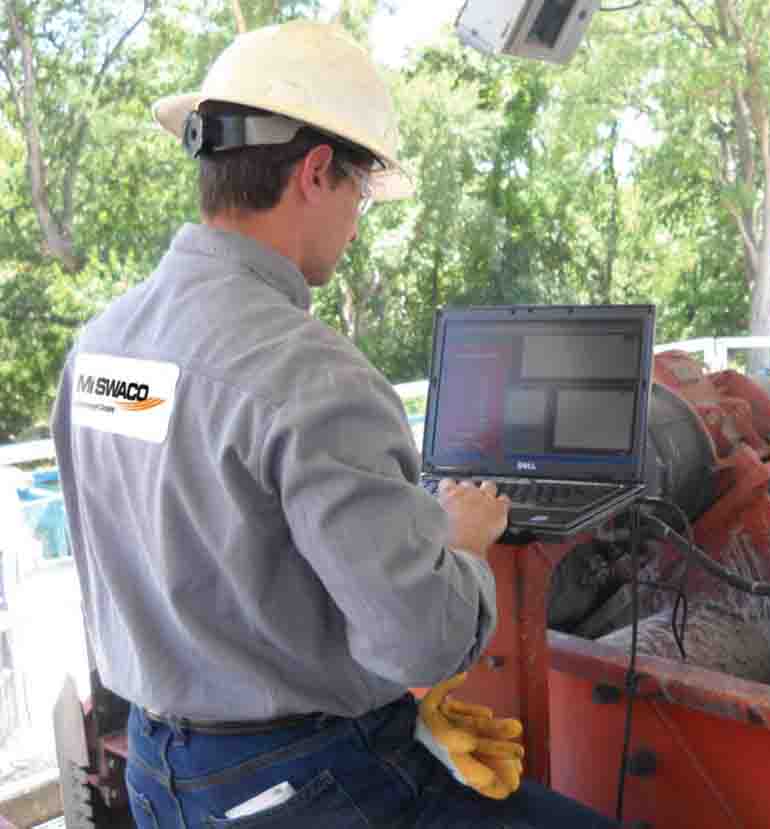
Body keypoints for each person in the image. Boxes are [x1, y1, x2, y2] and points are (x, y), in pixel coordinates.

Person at [51, 20, 617, 829]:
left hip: (157, 773)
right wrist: (458, 544)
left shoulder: (101, 349)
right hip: (310, 783)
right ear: (315, 172)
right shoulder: (310, 376)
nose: (357, 218)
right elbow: (420, 642)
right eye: (358, 189)